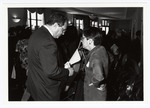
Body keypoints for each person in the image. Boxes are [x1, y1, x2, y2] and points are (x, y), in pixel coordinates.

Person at [26, 11, 74, 101]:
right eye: (63, 30)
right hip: (46, 89)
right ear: (55, 25)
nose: (63, 33)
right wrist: (67, 71)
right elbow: (51, 72)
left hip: (35, 83)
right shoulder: (49, 42)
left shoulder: (37, 33)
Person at [81, 27, 109, 101]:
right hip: (99, 92)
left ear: (90, 41)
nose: (81, 40)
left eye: (83, 38)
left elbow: (98, 77)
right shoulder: (101, 49)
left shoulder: (96, 56)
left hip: (94, 94)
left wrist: (93, 83)